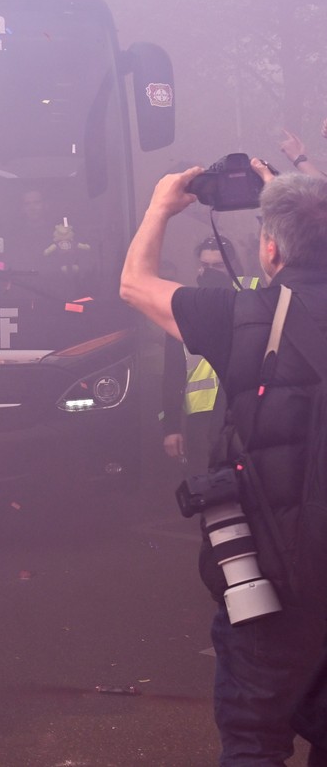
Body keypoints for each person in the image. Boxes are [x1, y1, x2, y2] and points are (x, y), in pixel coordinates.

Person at [121, 160, 327, 765]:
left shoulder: (240, 316)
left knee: (254, 737)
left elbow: (135, 283)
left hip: (272, 584)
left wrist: (161, 205)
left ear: (269, 249)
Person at [161, 238, 255, 465]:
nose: (210, 271)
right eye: (206, 265)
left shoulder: (250, 293)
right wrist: (171, 427)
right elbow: (173, 370)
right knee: (205, 479)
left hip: (245, 406)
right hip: (201, 413)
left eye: (219, 265)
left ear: (233, 265)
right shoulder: (186, 304)